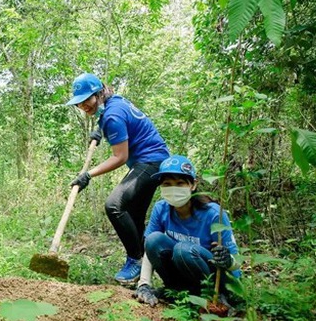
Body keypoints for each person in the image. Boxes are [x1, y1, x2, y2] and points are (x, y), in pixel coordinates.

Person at [66, 73, 170, 284]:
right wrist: (98, 130)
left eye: (87, 99)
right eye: (79, 103)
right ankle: (145, 267)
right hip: (155, 160)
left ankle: (135, 260)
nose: (84, 105)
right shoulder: (114, 103)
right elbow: (113, 119)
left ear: (98, 93)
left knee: (115, 205)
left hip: (150, 162)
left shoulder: (112, 116)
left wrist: (88, 175)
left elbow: (120, 157)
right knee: (134, 213)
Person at [134, 155, 241, 306]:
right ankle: (178, 290)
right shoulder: (161, 209)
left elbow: (236, 263)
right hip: (183, 272)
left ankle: (214, 296)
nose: (174, 188)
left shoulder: (213, 213)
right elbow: (149, 248)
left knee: (183, 249)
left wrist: (228, 261)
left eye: (180, 183)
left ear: (193, 185)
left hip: (214, 278)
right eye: (167, 184)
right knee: (153, 239)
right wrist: (143, 284)